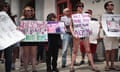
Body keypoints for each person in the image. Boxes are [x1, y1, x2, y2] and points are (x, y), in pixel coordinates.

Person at [69, 2, 100, 72]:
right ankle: (71, 66)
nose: (81, 8)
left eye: (82, 7)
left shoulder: (87, 15)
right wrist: (73, 34)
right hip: (77, 35)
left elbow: (93, 23)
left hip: (85, 34)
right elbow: (70, 26)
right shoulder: (73, 16)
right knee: (75, 51)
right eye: (80, 7)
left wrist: (97, 25)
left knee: (88, 50)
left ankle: (93, 66)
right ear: (77, 8)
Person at [102, 1, 120, 71]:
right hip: (107, 35)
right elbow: (103, 25)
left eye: (113, 5)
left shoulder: (116, 16)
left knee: (113, 50)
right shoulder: (104, 15)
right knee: (107, 51)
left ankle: (112, 65)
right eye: (111, 5)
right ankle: (107, 65)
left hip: (114, 35)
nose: (112, 6)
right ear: (106, 6)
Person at [0, 1, 18, 72]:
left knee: (9, 58)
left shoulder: (10, 17)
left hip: (8, 40)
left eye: (7, 7)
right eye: (4, 6)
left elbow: (14, 27)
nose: (6, 8)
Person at [20, 6, 37, 72]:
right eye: (27, 10)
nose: (29, 11)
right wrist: (19, 28)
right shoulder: (22, 20)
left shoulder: (35, 20)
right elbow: (20, 30)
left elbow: (38, 29)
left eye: (30, 10)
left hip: (34, 39)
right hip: (25, 39)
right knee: (26, 55)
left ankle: (34, 69)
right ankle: (25, 69)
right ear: (24, 12)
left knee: (33, 55)